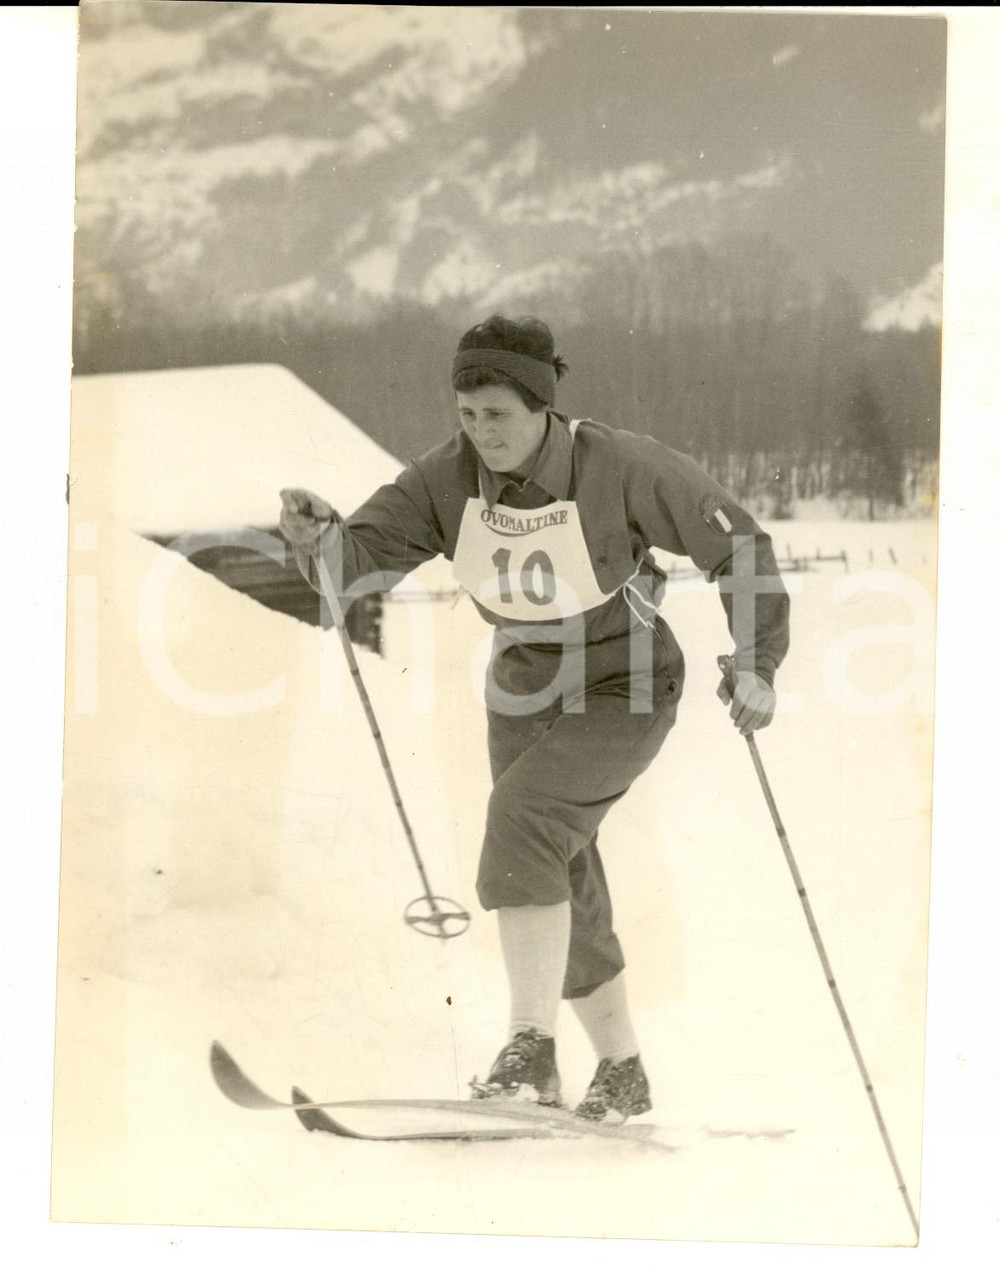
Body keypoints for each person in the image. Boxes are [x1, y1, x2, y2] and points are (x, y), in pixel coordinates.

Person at [279, 314, 789, 1122]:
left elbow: (738, 545)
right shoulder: (444, 479)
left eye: (499, 416)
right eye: (468, 416)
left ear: (544, 407)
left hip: (627, 681)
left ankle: (530, 1049)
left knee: (521, 823)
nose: (483, 435)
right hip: (523, 687)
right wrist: (318, 537)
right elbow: (359, 559)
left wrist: (758, 660)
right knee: (556, 865)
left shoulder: (617, 463)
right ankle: (621, 1067)